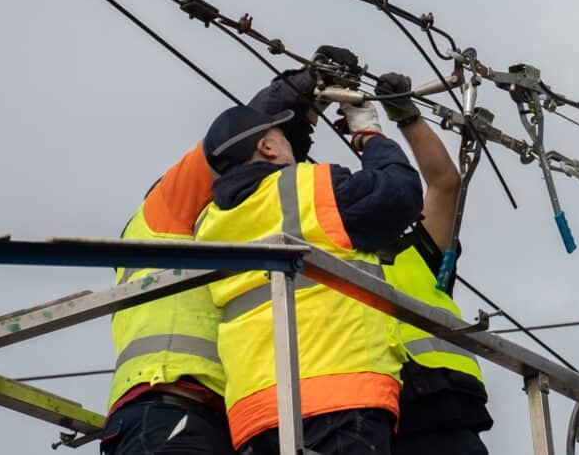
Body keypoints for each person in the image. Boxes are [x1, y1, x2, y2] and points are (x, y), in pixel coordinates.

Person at [194, 61, 424, 455]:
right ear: (266, 147)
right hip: (339, 396)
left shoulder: (208, 222)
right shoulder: (306, 188)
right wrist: (368, 134)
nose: (294, 145)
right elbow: (399, 193)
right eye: (282, 135)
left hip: (254, 414)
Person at [103, 64, 319, 455]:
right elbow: (228, 140)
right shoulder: (167, 207)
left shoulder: (221, 230)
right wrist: (296, 87)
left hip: (204, 415)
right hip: (169, 403)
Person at [375, 72, 493, 454]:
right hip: (369, 416)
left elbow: (444, 183)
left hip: (443, 410)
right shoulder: (324, 260)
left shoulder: (417, 252)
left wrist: (406, 117)